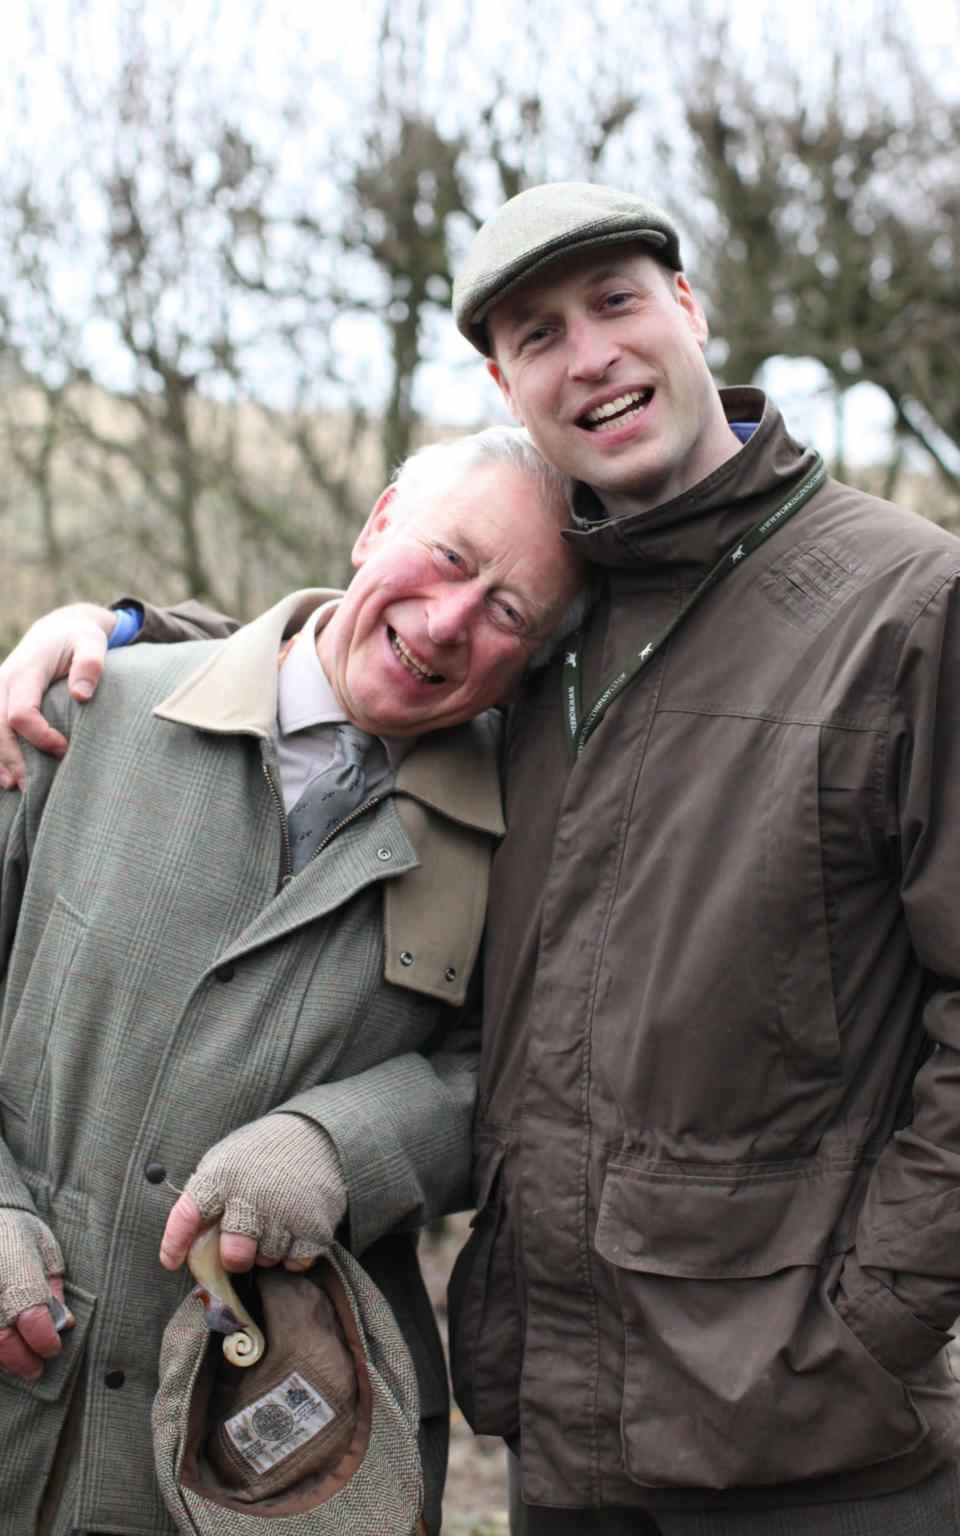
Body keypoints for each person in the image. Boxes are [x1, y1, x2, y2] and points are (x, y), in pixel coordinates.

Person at [6, 182, 960, 1536]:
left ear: (692, 310)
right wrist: (105, 629)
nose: (592, 354)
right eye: (537, 332)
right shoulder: (94, 721)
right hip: (559, 1431)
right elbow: (329, 673)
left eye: (621, 302)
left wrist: (878, 1318)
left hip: (806, 1437)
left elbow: (504, 1053)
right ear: (494, 395)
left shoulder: (896, 612)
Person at [0, 423, 583, 1536]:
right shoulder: (82, 712)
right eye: (451, 558)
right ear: (377, 524)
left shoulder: (528, 833)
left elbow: (528, 1084)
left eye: (508, 612)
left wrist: (342, 1143)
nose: (450, 622)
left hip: (278, 1463)